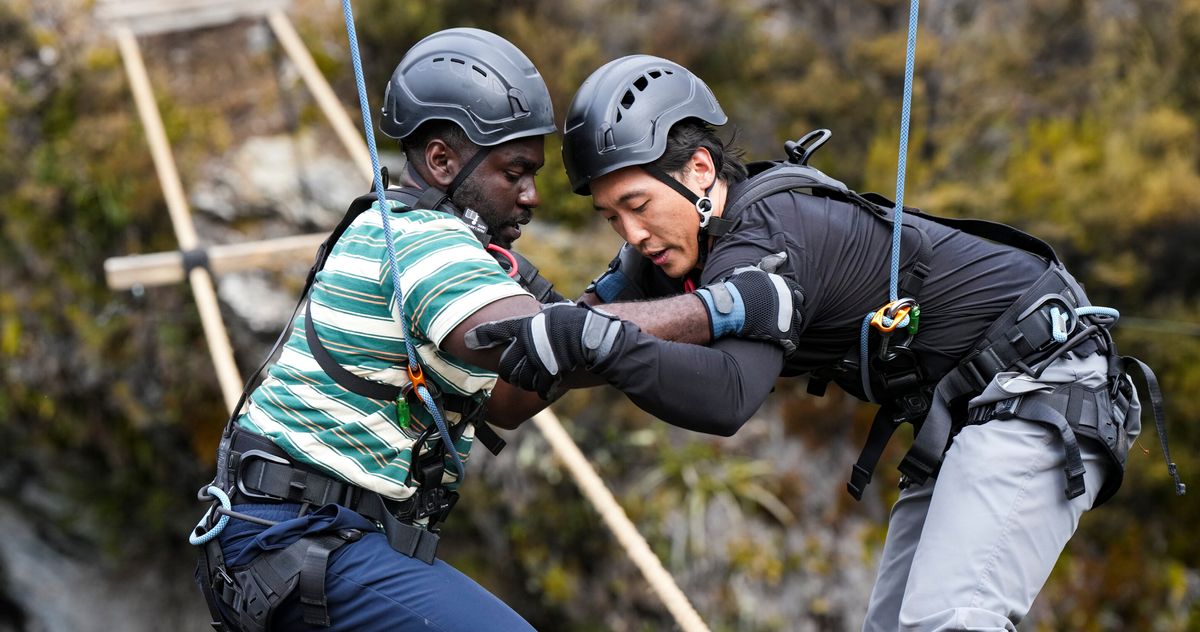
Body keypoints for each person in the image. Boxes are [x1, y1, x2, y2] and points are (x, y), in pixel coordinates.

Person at [467, 54, 1178, 631]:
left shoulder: (769, 236)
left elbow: (727, 398)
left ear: (701, 172)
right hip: (960, 414)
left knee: (950, 621)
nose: (630, 234)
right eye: (610, 216)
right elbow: (539, 371)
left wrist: (596, 340)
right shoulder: (662, 256)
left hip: (1040, 378)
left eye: (637, 206)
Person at [190, 31, 792, 632]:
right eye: (514, 172)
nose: (531, 196)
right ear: (442, 162)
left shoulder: (402, 230)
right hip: (302, 535)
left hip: (280, 540)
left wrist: (605, 305)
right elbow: (522, 338)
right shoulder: (424, 241)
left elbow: (510, 399)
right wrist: (724, 310)